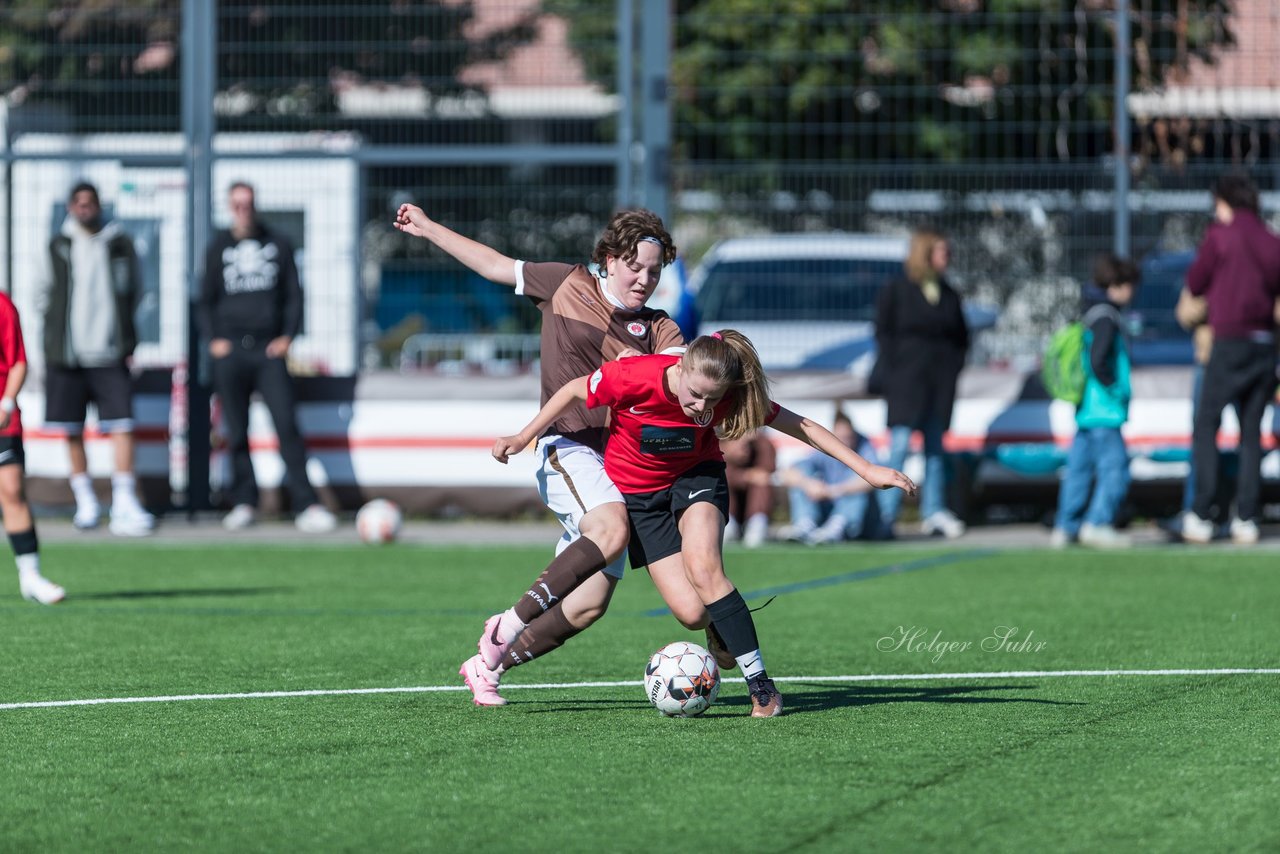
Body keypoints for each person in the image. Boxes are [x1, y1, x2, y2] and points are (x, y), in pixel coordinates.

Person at [490, 331, 917, 717]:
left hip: (698, 477)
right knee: (692, 612)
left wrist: (867, 469)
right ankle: (718, 622)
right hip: (640, 500)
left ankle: (762, 690)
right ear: (681, 366)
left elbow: (801, 426)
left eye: (713, 402)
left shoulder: (725, 397)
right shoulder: (634, 376)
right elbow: (571, 391)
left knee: (705, 566)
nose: (702, 409)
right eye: (696, 396)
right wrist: (523, 436)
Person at [393, 203, 685, 704]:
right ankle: (504, 624)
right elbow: (492, 263)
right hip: (566, 447)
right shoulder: (565, 284)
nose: (644, 279)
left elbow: (690, 380)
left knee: (590, 604)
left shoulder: (661, 330)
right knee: (611, 529)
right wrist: (428, 229)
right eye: (635, 266)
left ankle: (487, 663)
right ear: (610, 259)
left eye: (654, 272)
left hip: (617, 465)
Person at [198, 182, 337, 533]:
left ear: (255, 205)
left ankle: (305, 504)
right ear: (230, 208)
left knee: (286, 425)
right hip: (230, 350)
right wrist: (213, 339)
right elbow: (204, 300)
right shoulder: (217, 247)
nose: (243, 210)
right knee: (236, 428)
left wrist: (287, 336)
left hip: (268, 350)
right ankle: (244, 501)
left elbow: (294, 293)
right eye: (237, 205)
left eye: (248, 204)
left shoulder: (278, 242)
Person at [35, 181, 155, 537]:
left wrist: (124, 336)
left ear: (99, 205)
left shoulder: (120, 244)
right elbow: (41, 295)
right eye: (79, 203)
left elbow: (138, 292)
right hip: (67, 356)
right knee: (71, 430)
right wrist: (54, 338)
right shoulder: (57, 246)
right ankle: (85, 502)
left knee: (122, 425)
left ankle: (124, 503)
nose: (85, 208)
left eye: (91, 202)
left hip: (109, 353)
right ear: (71, 207)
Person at [1182, 171, 1280, 545]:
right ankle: (1247, 517)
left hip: (1228, 342)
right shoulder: (1272, 241)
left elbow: (1195, 281)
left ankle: (1203, 512)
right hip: (1264, 345)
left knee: (1206, 423)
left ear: (1224, 202)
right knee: (1251, 432)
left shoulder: (1220, 237)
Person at [873, 227, 969, 539]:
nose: (948, 257)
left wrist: (952, 368)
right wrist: (895, 369)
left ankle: (934, 512)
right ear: (925, 253)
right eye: (942, 250)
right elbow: (883, 333)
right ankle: (885, 515)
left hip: (939, 384)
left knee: (936, 450)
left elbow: (961, 338)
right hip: (906, 383)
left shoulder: (949, 292)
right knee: (899, 447)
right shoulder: (898, 289)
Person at [1050, 255, 1139, 549]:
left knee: (1078, 471)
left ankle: (1067, 525)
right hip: (1105, 410)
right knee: (1115, 470)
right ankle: (1098, 523)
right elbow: (1099, 360)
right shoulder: (1107, 317)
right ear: (1117, 285)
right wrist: (1116, 389)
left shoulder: (1088, 313)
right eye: (1129, 285)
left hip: (1086, 410)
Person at [0, 293, 66, 604]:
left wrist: (7, 402)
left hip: (2, 422)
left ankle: (31, 576)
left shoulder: (2, 305)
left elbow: (18, 362)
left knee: (11, 490)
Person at [779, 409, 881, 545]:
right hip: (827, 509)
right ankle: (804, 525)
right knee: (803, 476)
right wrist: (808, 484)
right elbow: (787, 473)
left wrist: (834, 490)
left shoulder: (865, 446)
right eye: (840, 439)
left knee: (859, 482)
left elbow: (874, 480)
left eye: (848, 437)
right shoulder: (826, 448)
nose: (845, 444)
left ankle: (837, 528)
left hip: (860, 520)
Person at [721, 429, 775, 547]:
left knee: (761, 485)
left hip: (753, 504)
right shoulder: (717, 446)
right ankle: (728, 525)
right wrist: (746, 476)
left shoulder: (761, 444)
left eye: (747, 446)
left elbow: (766, 473)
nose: (745, 450)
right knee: (722, 482)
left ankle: (757, 524)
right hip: (731, 506)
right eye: (739, 444)